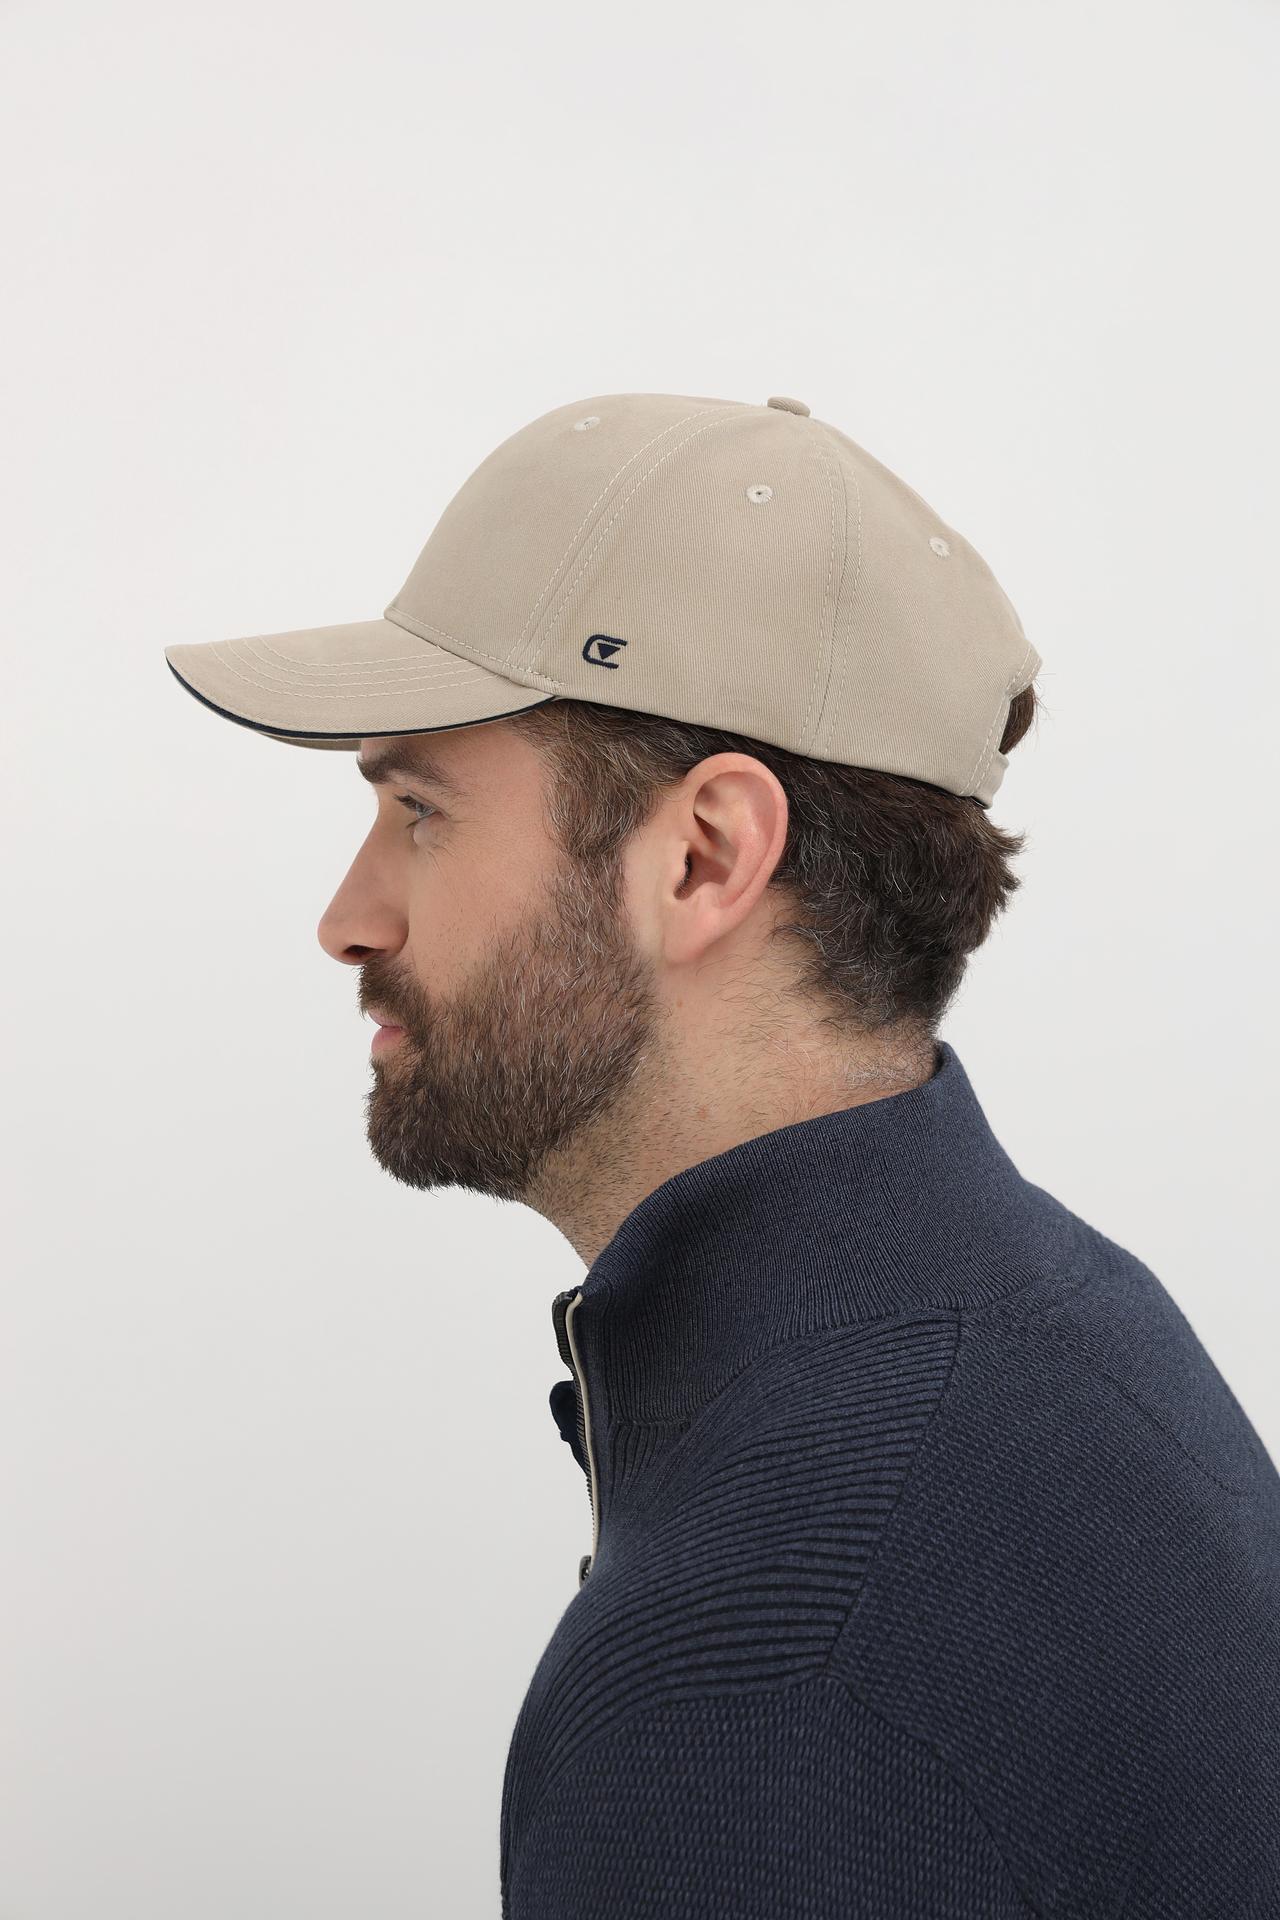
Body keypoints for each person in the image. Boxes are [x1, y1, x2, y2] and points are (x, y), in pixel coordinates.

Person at [165, 391, 1280, 1916]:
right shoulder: (1055, 1323)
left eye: (420, 811)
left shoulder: (753, 1683)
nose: (347, 920)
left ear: (704, 857)